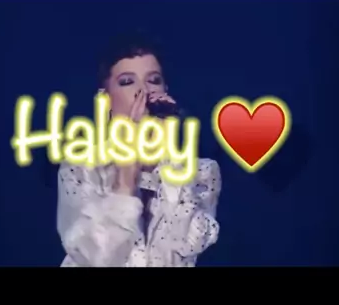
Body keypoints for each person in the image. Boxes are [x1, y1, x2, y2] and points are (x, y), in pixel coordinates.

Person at [56, 32, 222, 267]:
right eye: (127, 82)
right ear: (105, 99)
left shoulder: (200, 173)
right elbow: (96, 257)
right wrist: (127, 176)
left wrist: (171, 162)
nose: (143, 91)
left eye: (153, 80)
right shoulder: (81, 168)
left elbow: (184, 246)